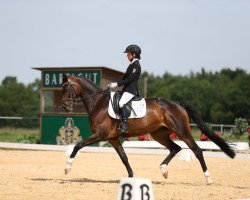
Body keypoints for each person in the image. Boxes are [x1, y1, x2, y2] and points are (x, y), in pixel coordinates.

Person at [108, 44, 142, 134]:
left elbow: (129, 79)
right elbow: (124, 78)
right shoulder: (131, 65)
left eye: (128, 54)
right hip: (126, 89)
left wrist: (117, 84)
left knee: (121, 103)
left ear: (134, 54)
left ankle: (124, 126)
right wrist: (114, 84)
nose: (127, 56)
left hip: (131, 90)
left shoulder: (136, 65)